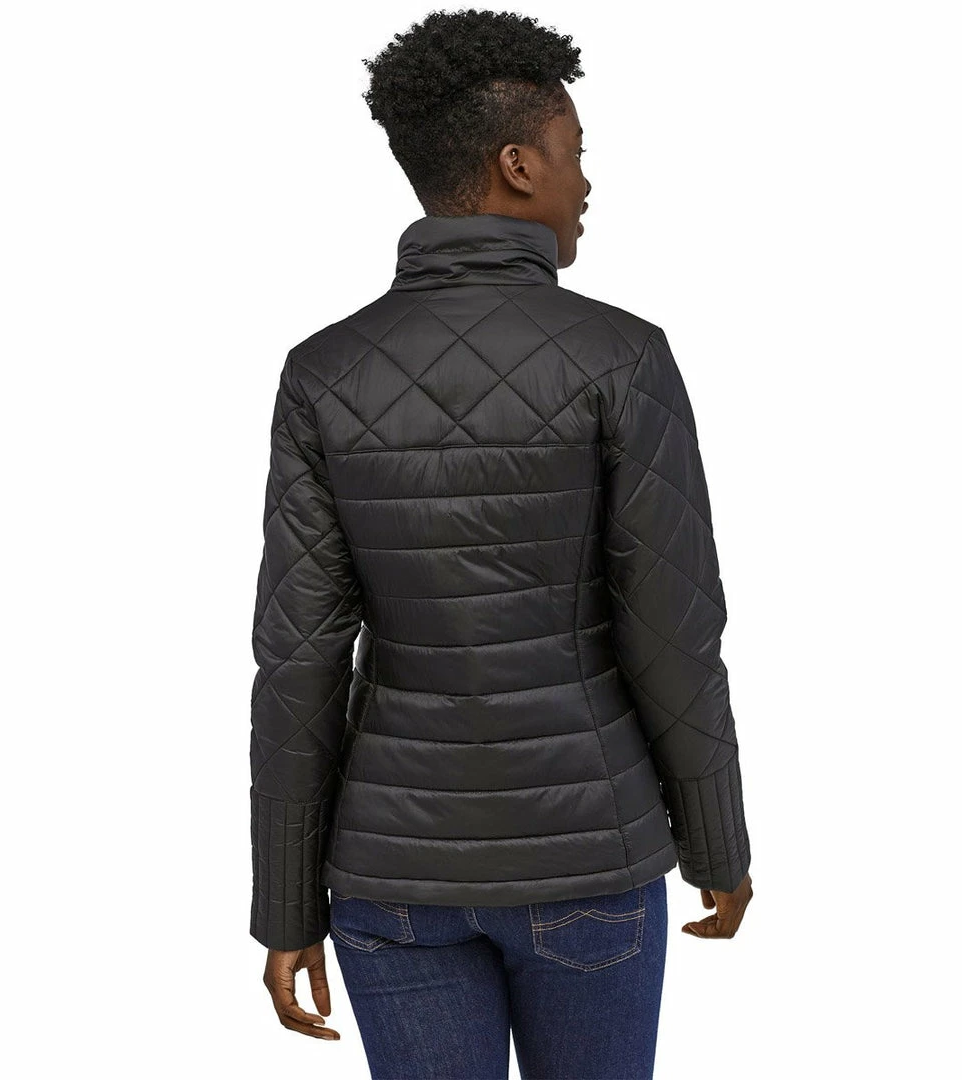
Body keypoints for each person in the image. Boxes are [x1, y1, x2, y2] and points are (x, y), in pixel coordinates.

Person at [249, 9, 754, 1078]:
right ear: (518, 165)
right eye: (575, 152)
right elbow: (674, 631)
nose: (586, 181)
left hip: (390, 882)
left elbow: (297, 661)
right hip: (590, 860)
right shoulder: (622, 357)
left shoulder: (322, 371)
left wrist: (283, 903)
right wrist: (718, 841)